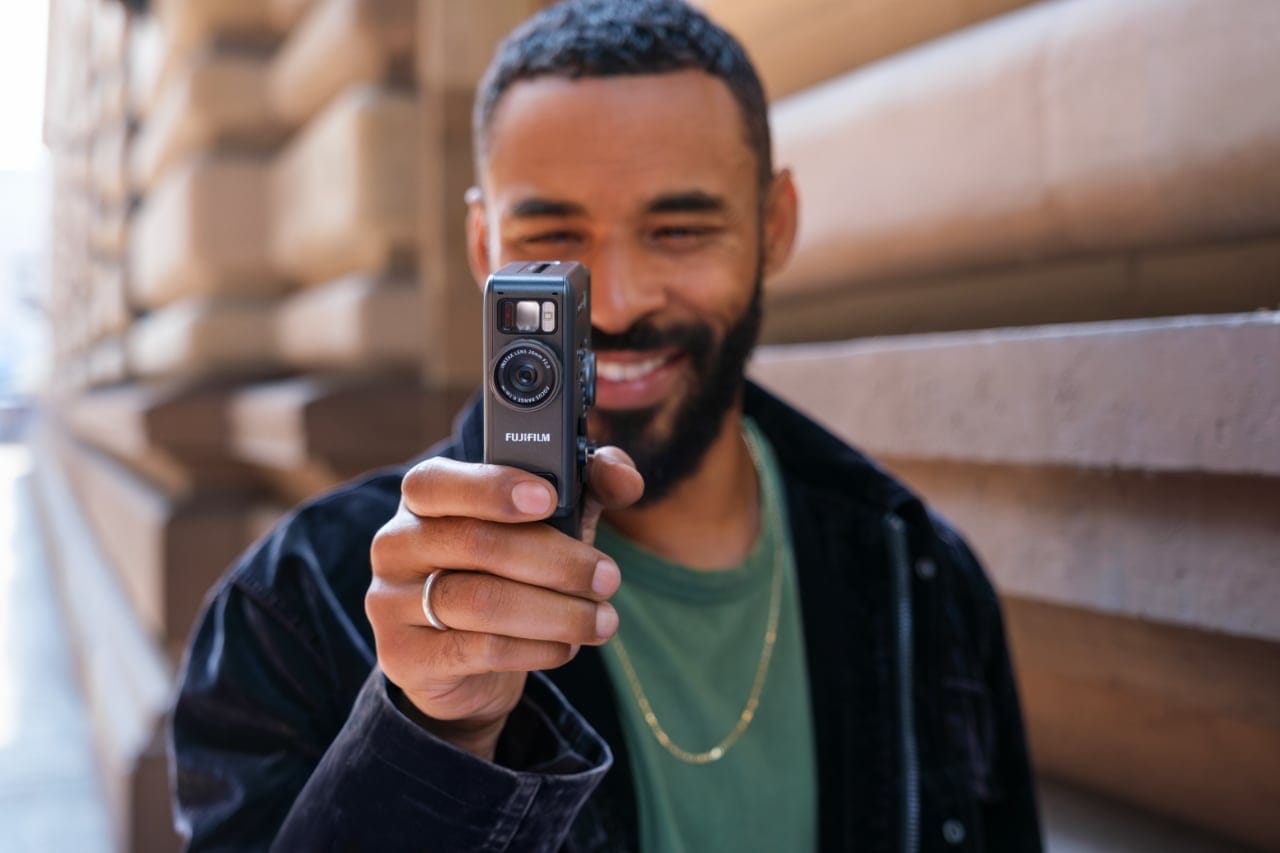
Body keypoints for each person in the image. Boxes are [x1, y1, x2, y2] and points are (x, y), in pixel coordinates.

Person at [169, 1, 1043, 850]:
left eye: (679, 230)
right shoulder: (298, 605)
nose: (614, 303)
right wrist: (437, 737)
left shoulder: (919, 573)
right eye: (554, 237)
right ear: (485, 248)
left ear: (774, 227)